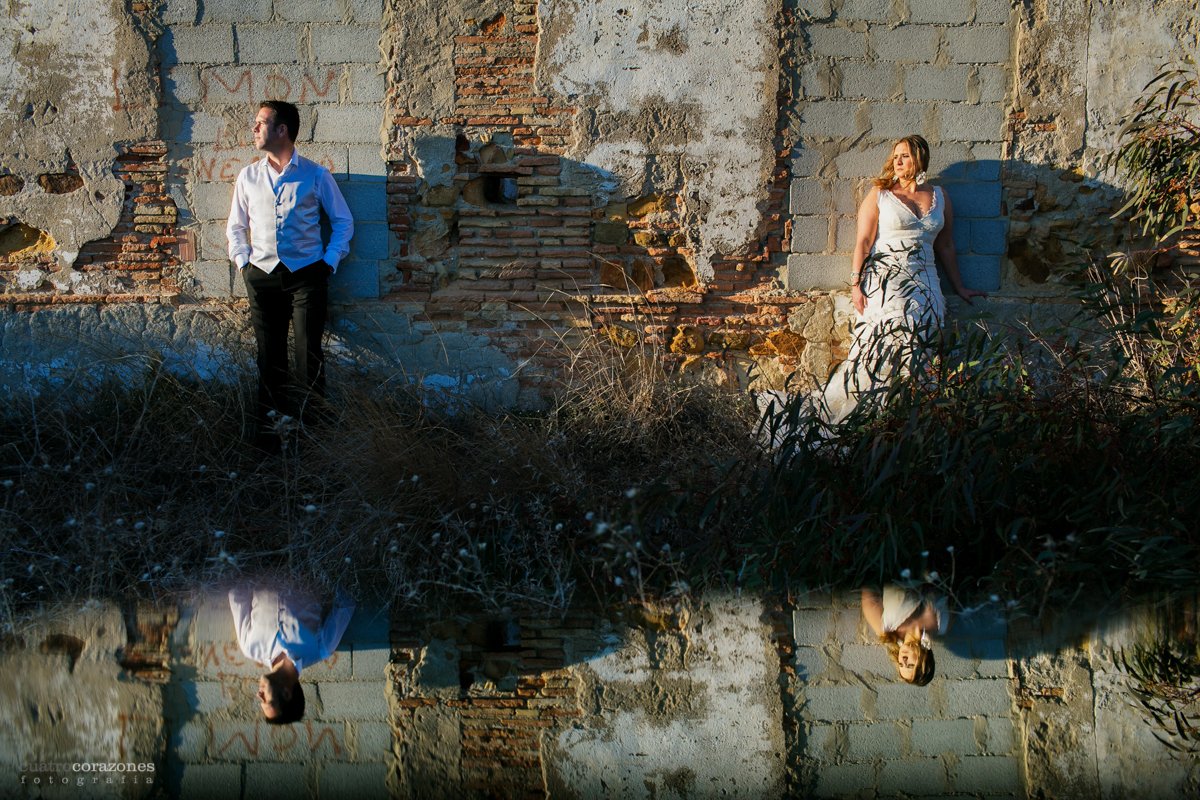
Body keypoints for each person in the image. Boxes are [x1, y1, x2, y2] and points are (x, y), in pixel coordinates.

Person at [816, 134, 986, 424]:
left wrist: (958, 287)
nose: (897, 160)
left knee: (920, 347)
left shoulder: (941, 197)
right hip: (886, 283)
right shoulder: (880, 194)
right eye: (895, 155)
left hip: (926, 284)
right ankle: (870, 417)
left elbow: (945, 246)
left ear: (919, 159)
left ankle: (909, 418)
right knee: (881, 349)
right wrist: (856, 285)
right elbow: (863, 242)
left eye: (904, 155)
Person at [226, 100, 353, 441]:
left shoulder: (315, 174)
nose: (254, 129)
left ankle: (313, 437)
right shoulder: (248, 176)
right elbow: (236, 227)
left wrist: (328, 263)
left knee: (308, 357)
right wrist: (243, 264)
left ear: (281, 130)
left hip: (307, 277)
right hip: (261, 277)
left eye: (260, 123)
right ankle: (268, 438)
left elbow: (343, 221)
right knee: (269, 359)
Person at [228, 586, 355, 724]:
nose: (259, 695)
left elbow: (237, 594)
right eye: (267, 701)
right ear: (286, 693)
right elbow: (346, 601)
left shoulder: (250, 647)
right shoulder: (321, 648)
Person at [861, 584, 950, 686]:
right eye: (910, 665)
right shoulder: (942, 625)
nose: (904, 660)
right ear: (924, 661)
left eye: (901, 664)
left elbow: (868, 589)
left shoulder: (886, 631)